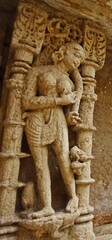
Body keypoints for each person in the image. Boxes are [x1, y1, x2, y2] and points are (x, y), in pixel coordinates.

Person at [22, 42, 85, 219]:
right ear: (63, 52)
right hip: (36, 119)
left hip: (58, 119)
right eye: (76, 54)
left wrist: (70, 115)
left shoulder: (71, 80)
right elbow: (27, 102)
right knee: (40, 165)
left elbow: (69, 108)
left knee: (64, 159)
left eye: (81, 58)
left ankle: (73, 197)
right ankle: (47, 206)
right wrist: (58, 101)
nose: (78, 61)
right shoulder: (38, 71)